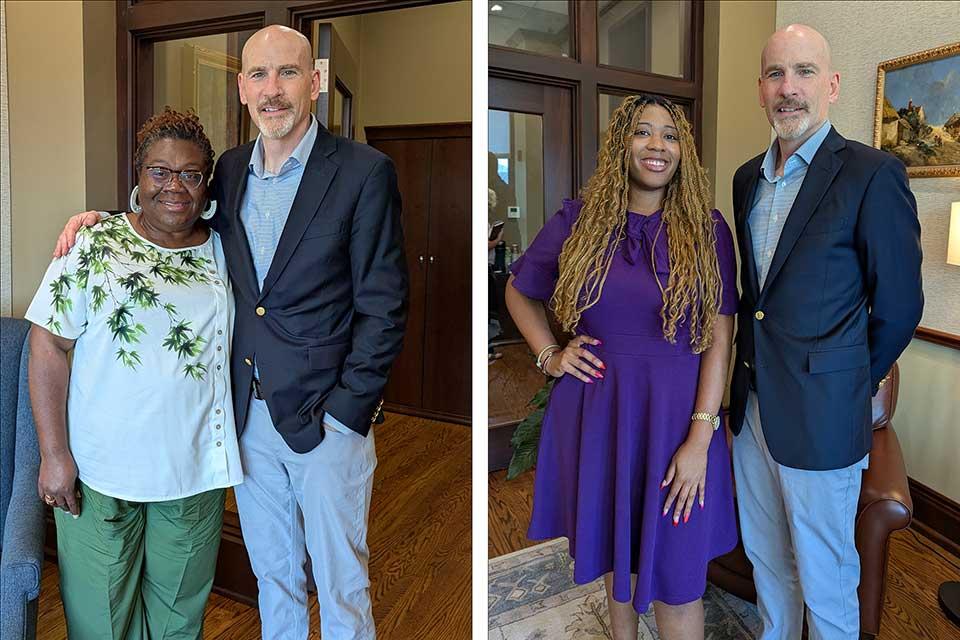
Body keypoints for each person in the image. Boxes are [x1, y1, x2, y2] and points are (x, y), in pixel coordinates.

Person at [55, 25, 407, 640]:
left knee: (341, 582)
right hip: (246, 419)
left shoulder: (363, 172)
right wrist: (103, 220)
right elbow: (173, 208)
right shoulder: (232, 171)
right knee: (274, 575)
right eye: (260, 76)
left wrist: (349, 413)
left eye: (288, 73)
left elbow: (384, 304)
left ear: (315, 83)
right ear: (242, 89)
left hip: (327, 419)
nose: (274, 91)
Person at [505, 94, 739, 640]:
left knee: (680, 576)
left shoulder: (709, 231)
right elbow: (520, 292)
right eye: (643, 132)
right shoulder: (579, 221)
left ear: (684, 152)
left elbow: (720, 335)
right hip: (602, 414)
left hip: (681, 419)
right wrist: (550, 354)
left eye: (670, 135)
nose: (657, 145)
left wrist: (700, 440)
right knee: (619, 568)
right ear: (621, 145)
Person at [728, 24, 923, 640]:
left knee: (827, 574)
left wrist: (844, 387)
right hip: (751, 406)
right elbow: (757, 298)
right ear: (760, 89)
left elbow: (899, 306)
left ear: (832, 85)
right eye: (776, 74)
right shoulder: (744, 180)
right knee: (766, 559)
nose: (790, 88)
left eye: (804, 72)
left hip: (822, 417)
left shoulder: (872, 174)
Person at [28, 108, 241, 639]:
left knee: (176, 620)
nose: (175, 186)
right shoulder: (94, 245)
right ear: (138, 177)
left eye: (191, 174)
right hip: (100, 473)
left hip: (193, 472)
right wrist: (55, 457)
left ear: (206, 185)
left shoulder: (225, 249)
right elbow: (48, 345)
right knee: (99, 620)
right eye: (160, 171)